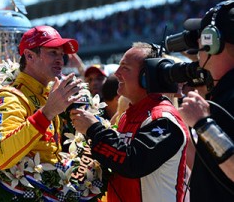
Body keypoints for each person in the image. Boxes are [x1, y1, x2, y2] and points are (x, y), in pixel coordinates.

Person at [70, 42, 189, 202]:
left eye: (125, 68)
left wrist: (94, 129)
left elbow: (133, 162)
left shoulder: (163, 120)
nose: (116, 74)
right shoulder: (127, 115)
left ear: (146, 77)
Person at [0, 25, 82, 170]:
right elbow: (0, 156)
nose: (60, 60)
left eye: (61, 54)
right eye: (53, 53)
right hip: (23, 191)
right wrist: (46, 114)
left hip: (47, 189)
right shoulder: (10, 97)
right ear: (30, 56)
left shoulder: (48, 94)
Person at [177, 0, 234, 201]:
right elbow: (209, 165)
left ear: (212, 43)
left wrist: (204, 124)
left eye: (200, 45)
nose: (198, 55)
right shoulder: (222, 94)